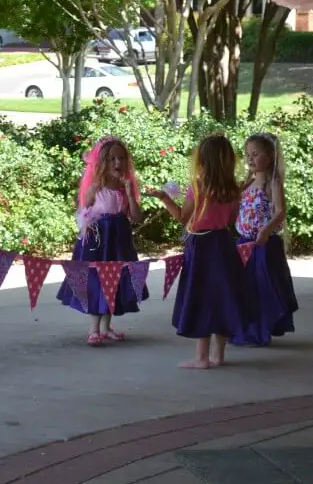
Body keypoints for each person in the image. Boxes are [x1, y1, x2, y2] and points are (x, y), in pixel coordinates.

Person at [147, 134, 250, 370]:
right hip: (224, 244)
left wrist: (164, 198)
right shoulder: (233, 189)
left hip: (201, 246)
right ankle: (219, 355)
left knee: (201, 297)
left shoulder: (199, 186)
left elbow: (184, 218)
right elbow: (232, 220)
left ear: (202, 160)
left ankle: (201, 358)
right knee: (223, 296)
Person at [57, 137, 148, 345]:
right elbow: (83, 214)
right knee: (97, 279)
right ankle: (94, 328)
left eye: (122, 158)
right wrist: (87, 227)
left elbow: (136, 217)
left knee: (114, 279)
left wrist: (130, 195)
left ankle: (106, 328)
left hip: (119, 240)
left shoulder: (126, 187)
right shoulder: (96, 187)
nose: (118, 163)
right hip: (98, 240)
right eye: (111, 159)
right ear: (102, 163)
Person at [231, 132, 298, 346]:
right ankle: (244, 329)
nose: (250, 159)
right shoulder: (246, 183)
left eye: (256, 154)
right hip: (244, 244)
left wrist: (266, 230)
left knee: (261, 287)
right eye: (247, 154)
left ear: (270, 156)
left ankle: (259, 331)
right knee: (244, 288)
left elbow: (280, 211)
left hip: (263, 245)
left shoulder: (273, 182)